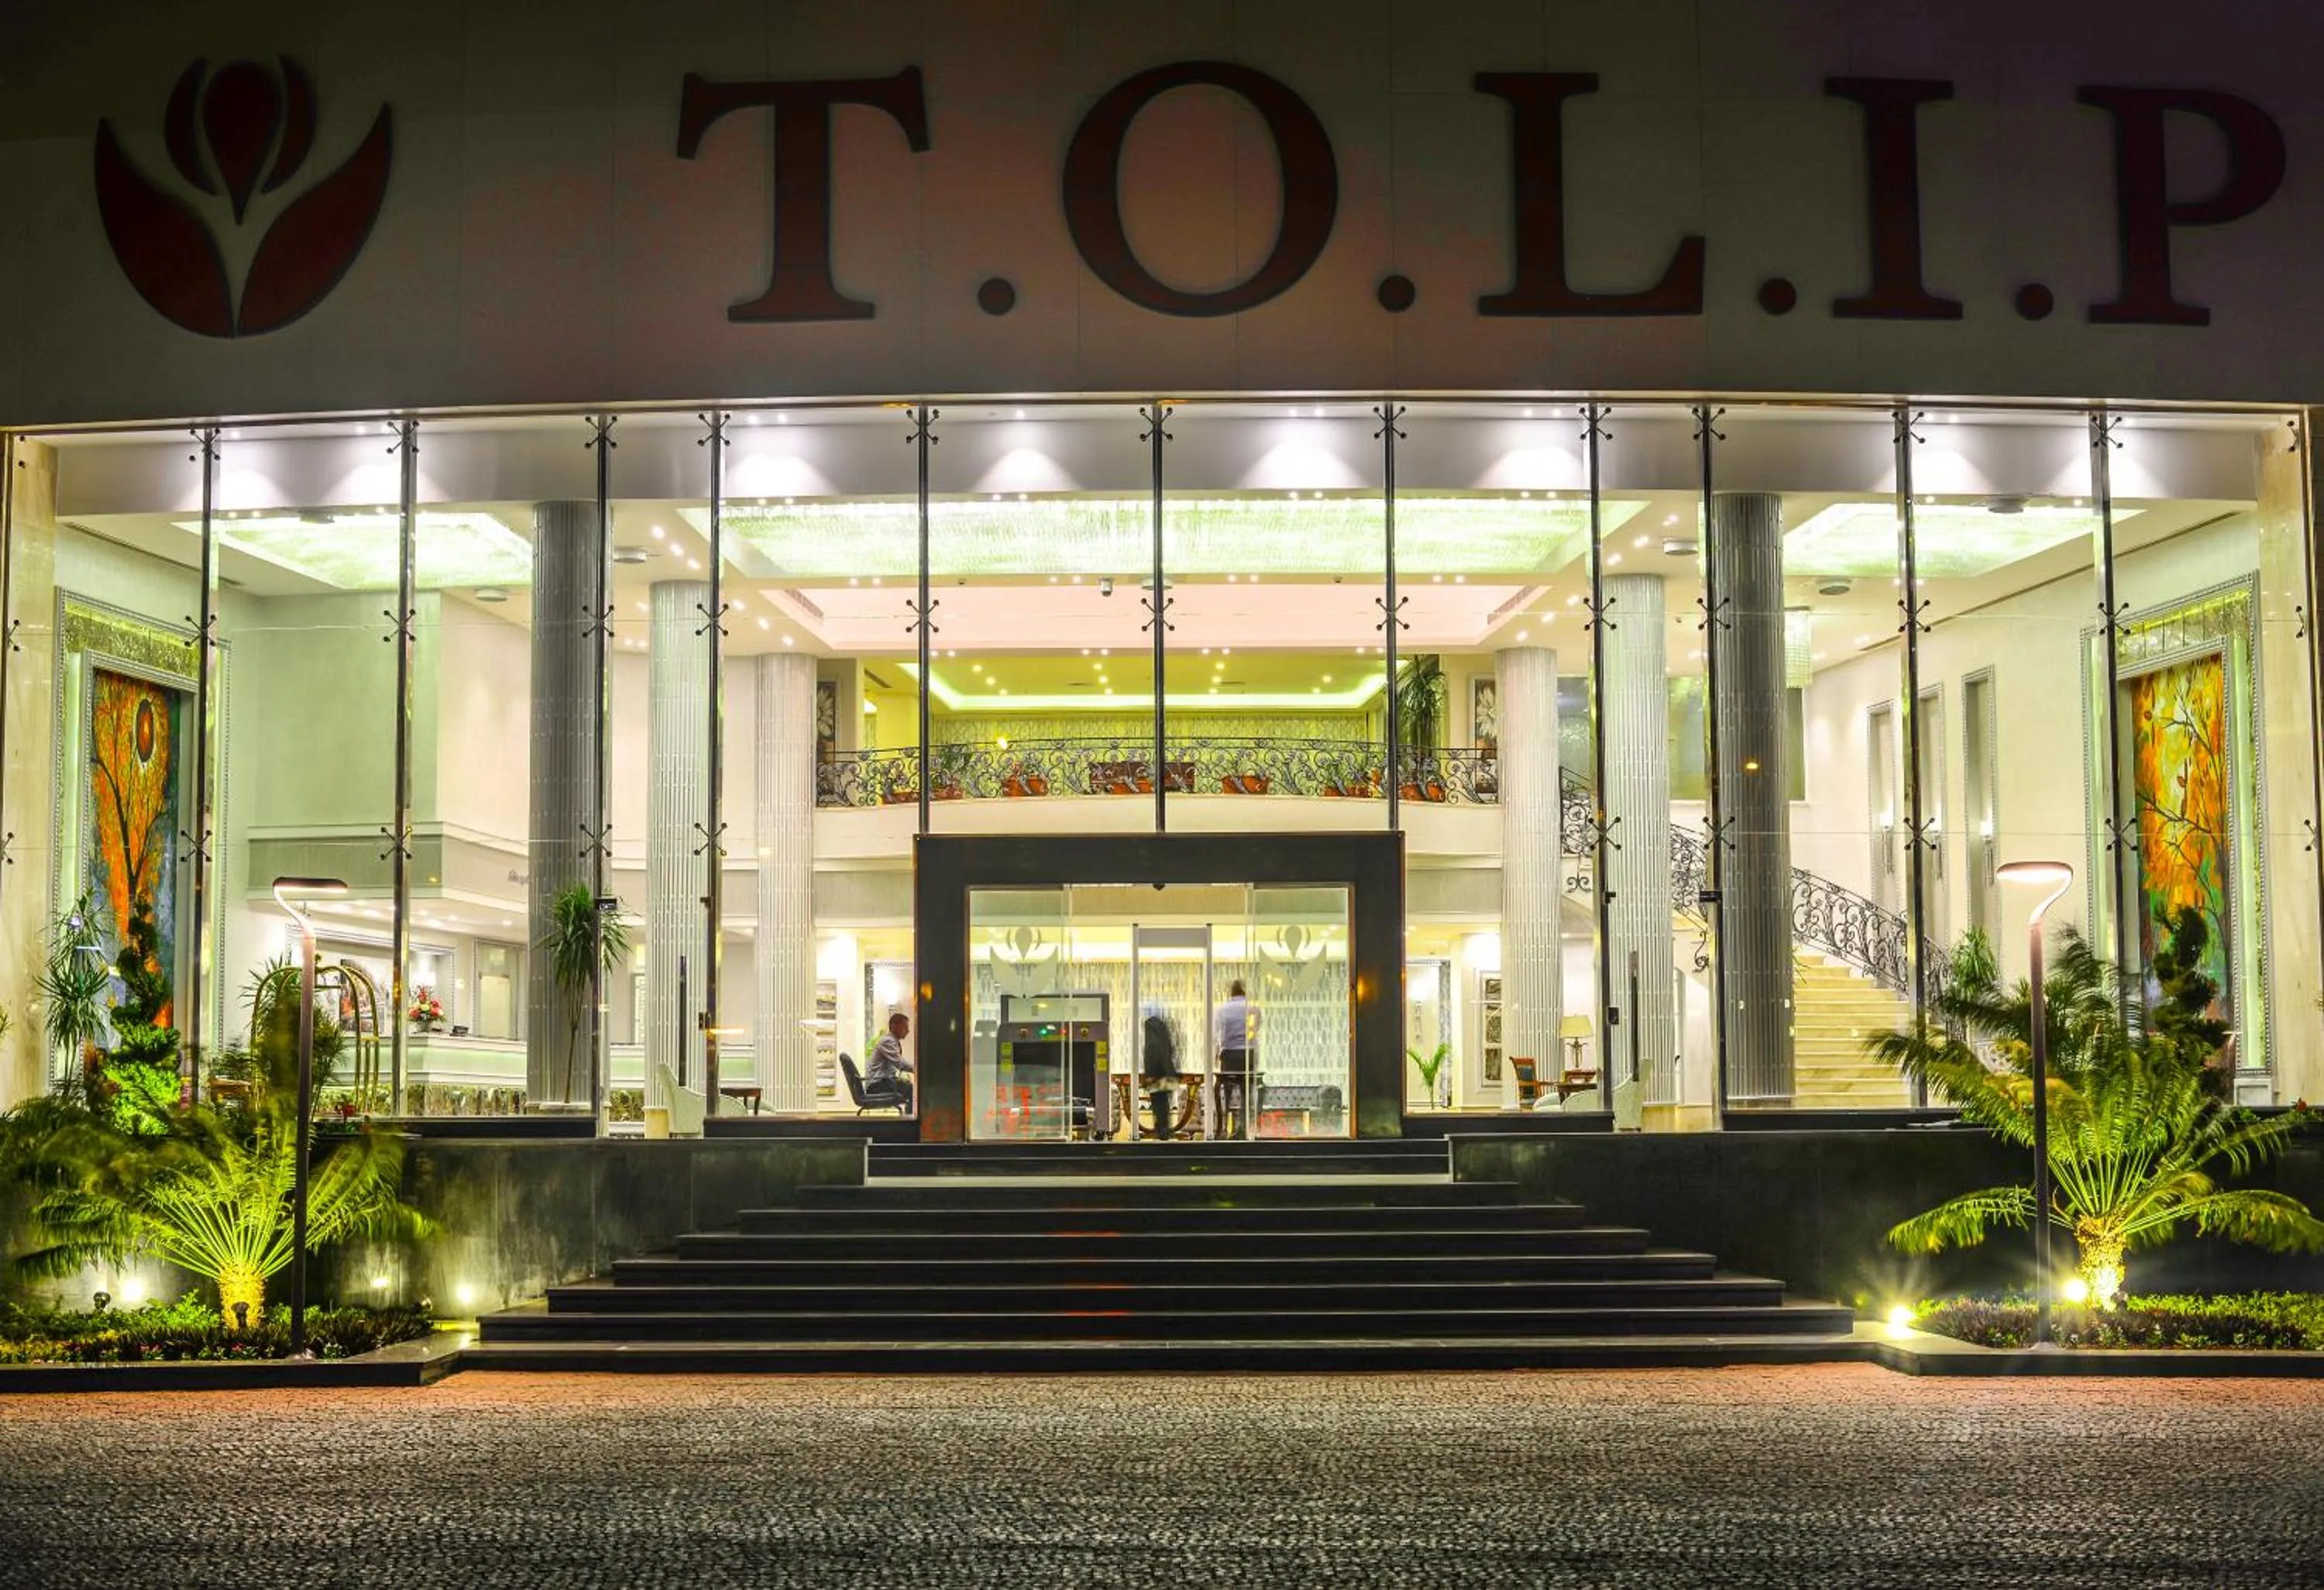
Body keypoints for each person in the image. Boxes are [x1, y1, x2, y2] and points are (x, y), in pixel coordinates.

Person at [1212, 980, 1258, 1138]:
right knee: (1246, 1094)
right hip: (1248, 1053)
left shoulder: (1222, 1010)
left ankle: (1224, 1127)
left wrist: (1216, 1055)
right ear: (1244, 992)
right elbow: (1255, 1030)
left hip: (1229, 1054)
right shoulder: (1253, 1009)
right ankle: (1242, 1129)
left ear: (1231, 992)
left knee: (1227, 1091)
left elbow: (1216, 1034)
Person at [1140, 1003, 1179, 1140]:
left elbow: (1151, 1056)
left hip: (1156, 1076)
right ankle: (1165, 1130)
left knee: (1158, 1105)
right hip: (1167, 1074)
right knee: (1164, 1104)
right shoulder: (1164, 1036)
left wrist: (1149, 1075)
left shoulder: (1151, 1040)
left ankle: (1161, 1131)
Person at [868, 1010, 916, 1113]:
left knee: (910, 1087)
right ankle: (910, 1123)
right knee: (913, 1090)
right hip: (877, 1085)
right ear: (895, 1026)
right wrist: (918, 1069)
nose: (908, 1031)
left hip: (882, 1082)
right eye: (905, 1027)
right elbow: (900, 1064)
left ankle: (909, 1119)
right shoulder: (888, 1041)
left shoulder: (891, 1041)